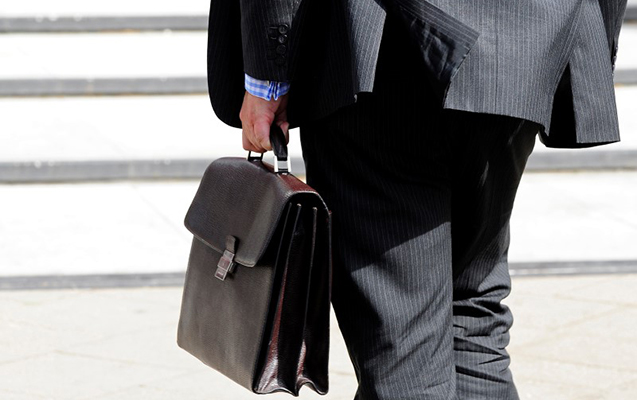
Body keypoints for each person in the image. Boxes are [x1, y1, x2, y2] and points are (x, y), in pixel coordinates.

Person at [205, 0, 628, 398]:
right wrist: (582, 39)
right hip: (525, 47)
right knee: (473, 317)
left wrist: (269, 77)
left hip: (384, 53)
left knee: (405, 344)